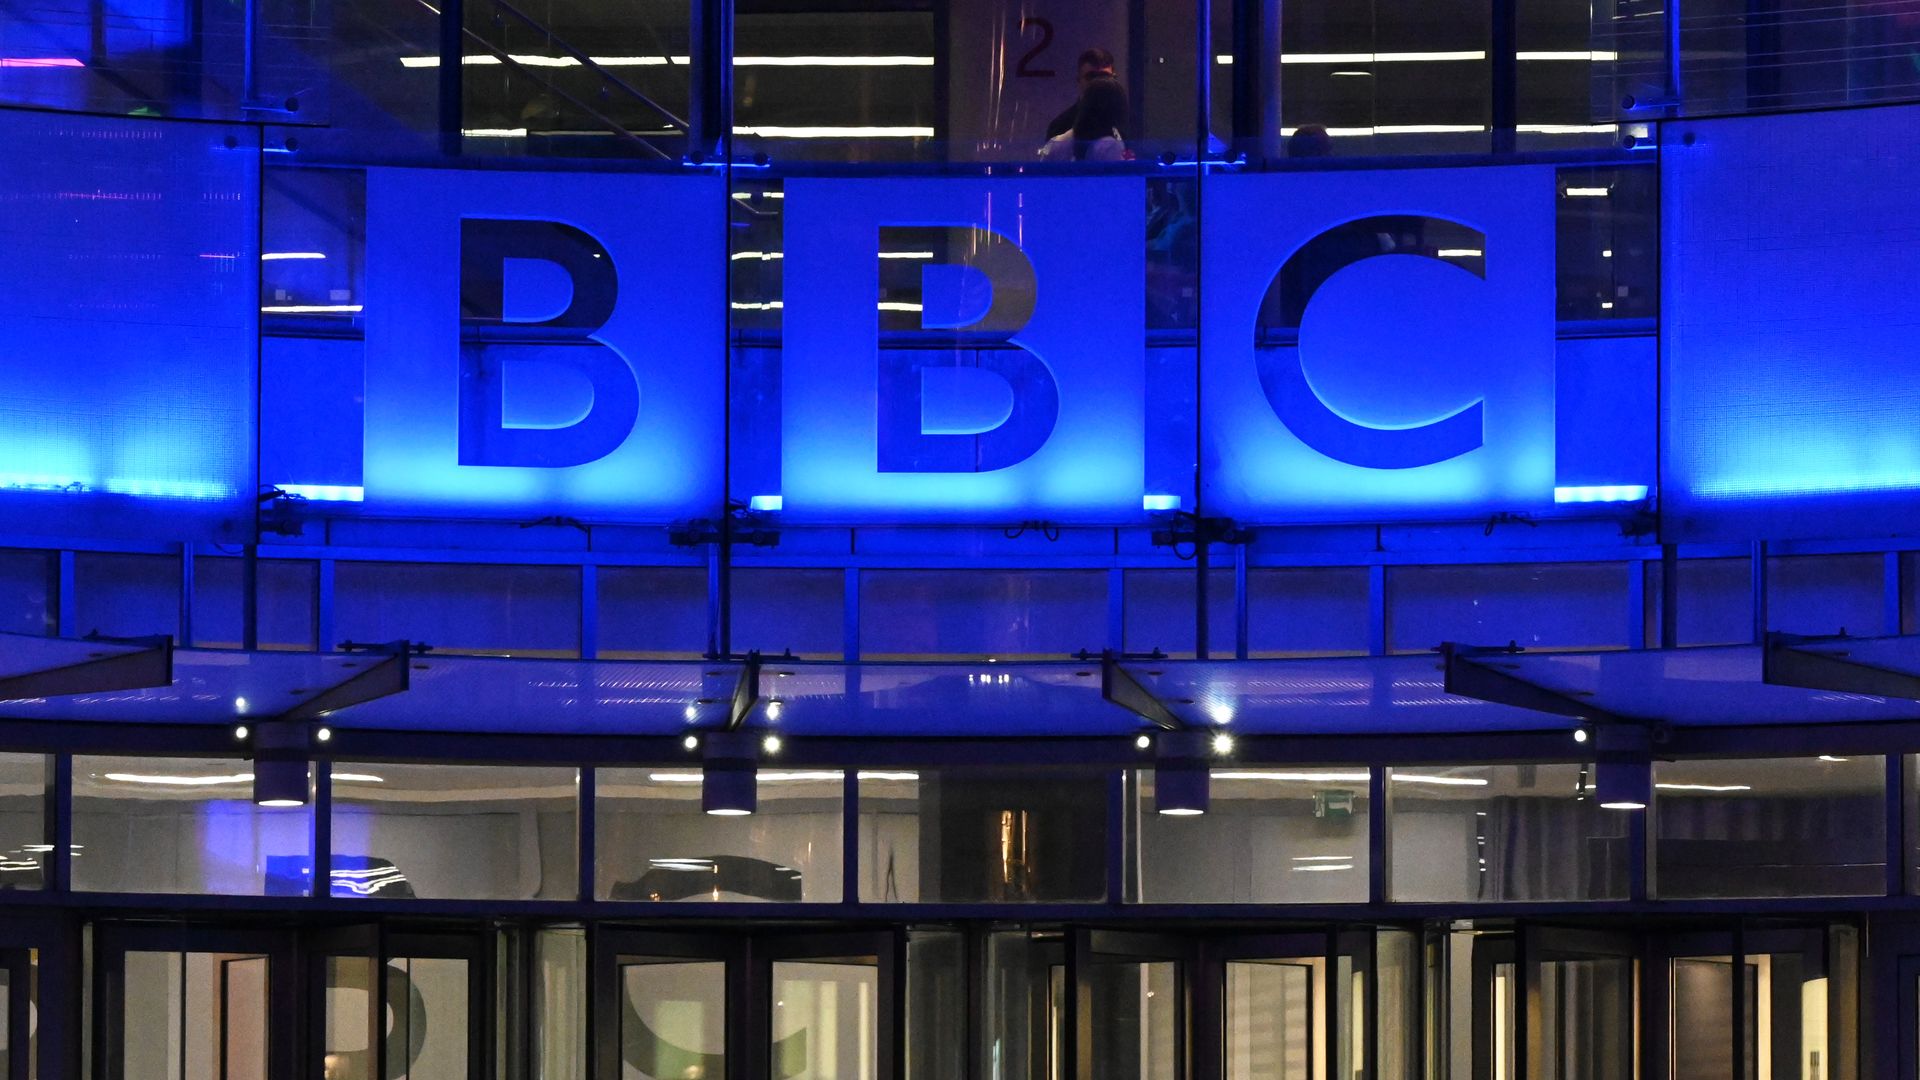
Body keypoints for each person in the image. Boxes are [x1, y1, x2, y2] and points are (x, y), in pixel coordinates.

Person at [1037, 77, 1129, 161]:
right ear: (1115, 110)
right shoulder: (1109, 147)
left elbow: (1041, 175)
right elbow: (1116, 178)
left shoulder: (1056, 143)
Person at [1044, 48, 1118, 142]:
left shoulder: (1128, 122)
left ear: (1114, 79)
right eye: (1092, 77)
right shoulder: (1060, 125)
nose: (1098, 83)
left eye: (1104, 77)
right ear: (1079, 80)